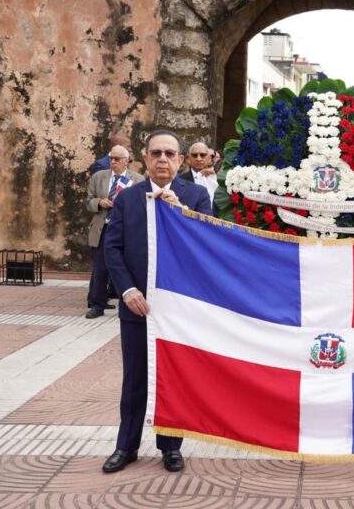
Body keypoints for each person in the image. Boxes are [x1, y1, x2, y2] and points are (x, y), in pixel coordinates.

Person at [102, 130, 213, 474]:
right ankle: (127, 445)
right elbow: (113, 248)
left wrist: (180, 213)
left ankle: (170, 447)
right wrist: (127, 290)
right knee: (135, 376)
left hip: (178, 309)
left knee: (172, 376)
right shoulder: (127, 199)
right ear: (145, 159)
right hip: (138, 305)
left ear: (180, 160)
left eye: (170, 153)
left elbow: (208, 244)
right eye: (156, 153)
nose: (163, 159)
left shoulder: (195, 197)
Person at [86, 145, 144, 319]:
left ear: (127, 160)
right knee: (100, 268)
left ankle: (129, 301)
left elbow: (141, 205)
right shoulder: (98, 177)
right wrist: (99, 203)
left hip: (127, 230)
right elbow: (88, 201)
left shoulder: (138, 179)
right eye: (111, 158)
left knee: (129, 266)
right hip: (103, 227)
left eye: (117, 159)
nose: (113, 161)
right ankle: (97, 304)